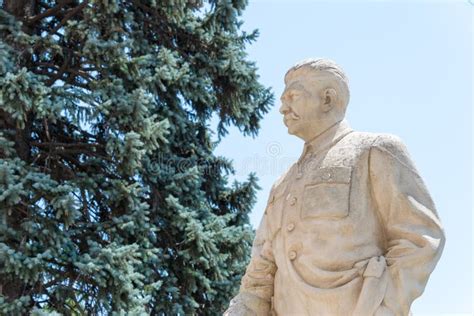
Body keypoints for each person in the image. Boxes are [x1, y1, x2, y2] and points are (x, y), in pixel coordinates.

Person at [224, 58, 445, 316]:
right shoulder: (281, 185)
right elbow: (260, 273)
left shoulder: (374, 150)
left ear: (328, 99)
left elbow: (420, 239)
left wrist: (383, 308)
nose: (282, 108)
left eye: (293, 96)